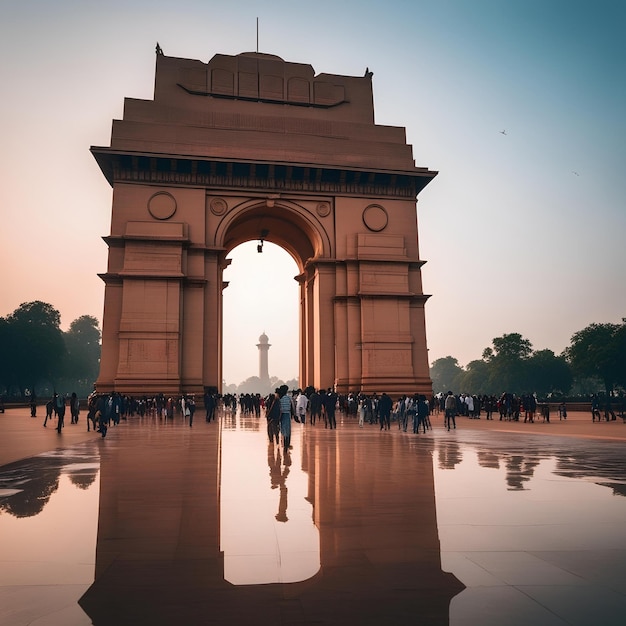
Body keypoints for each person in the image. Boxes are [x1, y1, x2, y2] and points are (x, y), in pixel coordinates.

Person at [278, 385, 293, 451]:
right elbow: (292, 407)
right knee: (288, 430)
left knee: (282, 430)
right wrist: (294, 415)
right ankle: (287, 445)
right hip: (287, 414)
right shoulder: (288, 398)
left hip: (281, 415)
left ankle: (284, 444)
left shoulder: (279, 398)